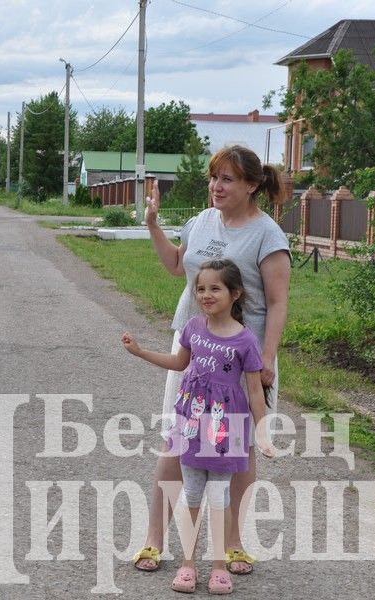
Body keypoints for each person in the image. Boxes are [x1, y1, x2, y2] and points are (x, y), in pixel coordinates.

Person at [132, 145, 291, 576]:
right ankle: (154, 539)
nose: (216, 187)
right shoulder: (199, 222)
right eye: (213, 178)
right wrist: (152, 225)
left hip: (243, 359)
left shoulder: (267, 235)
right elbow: (176, 266)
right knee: (176, 439)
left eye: (227, 179)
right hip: (193, 353)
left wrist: (267, 359)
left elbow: (277, 303)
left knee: (238, 449)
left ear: (252, 185)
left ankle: (234, 544)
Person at [122, 259, 276, 594]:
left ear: (235, 293)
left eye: (215, 288)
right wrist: (140, 352)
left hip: (226, 428)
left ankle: (219, 567)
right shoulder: (193, 328)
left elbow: (254, 391)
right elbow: (178, 363)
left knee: (220, 496)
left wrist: (261, 431)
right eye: (201, 289)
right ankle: (188, 564)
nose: (206, 295)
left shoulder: (246, 341)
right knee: (191, 494)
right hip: (191, 425)